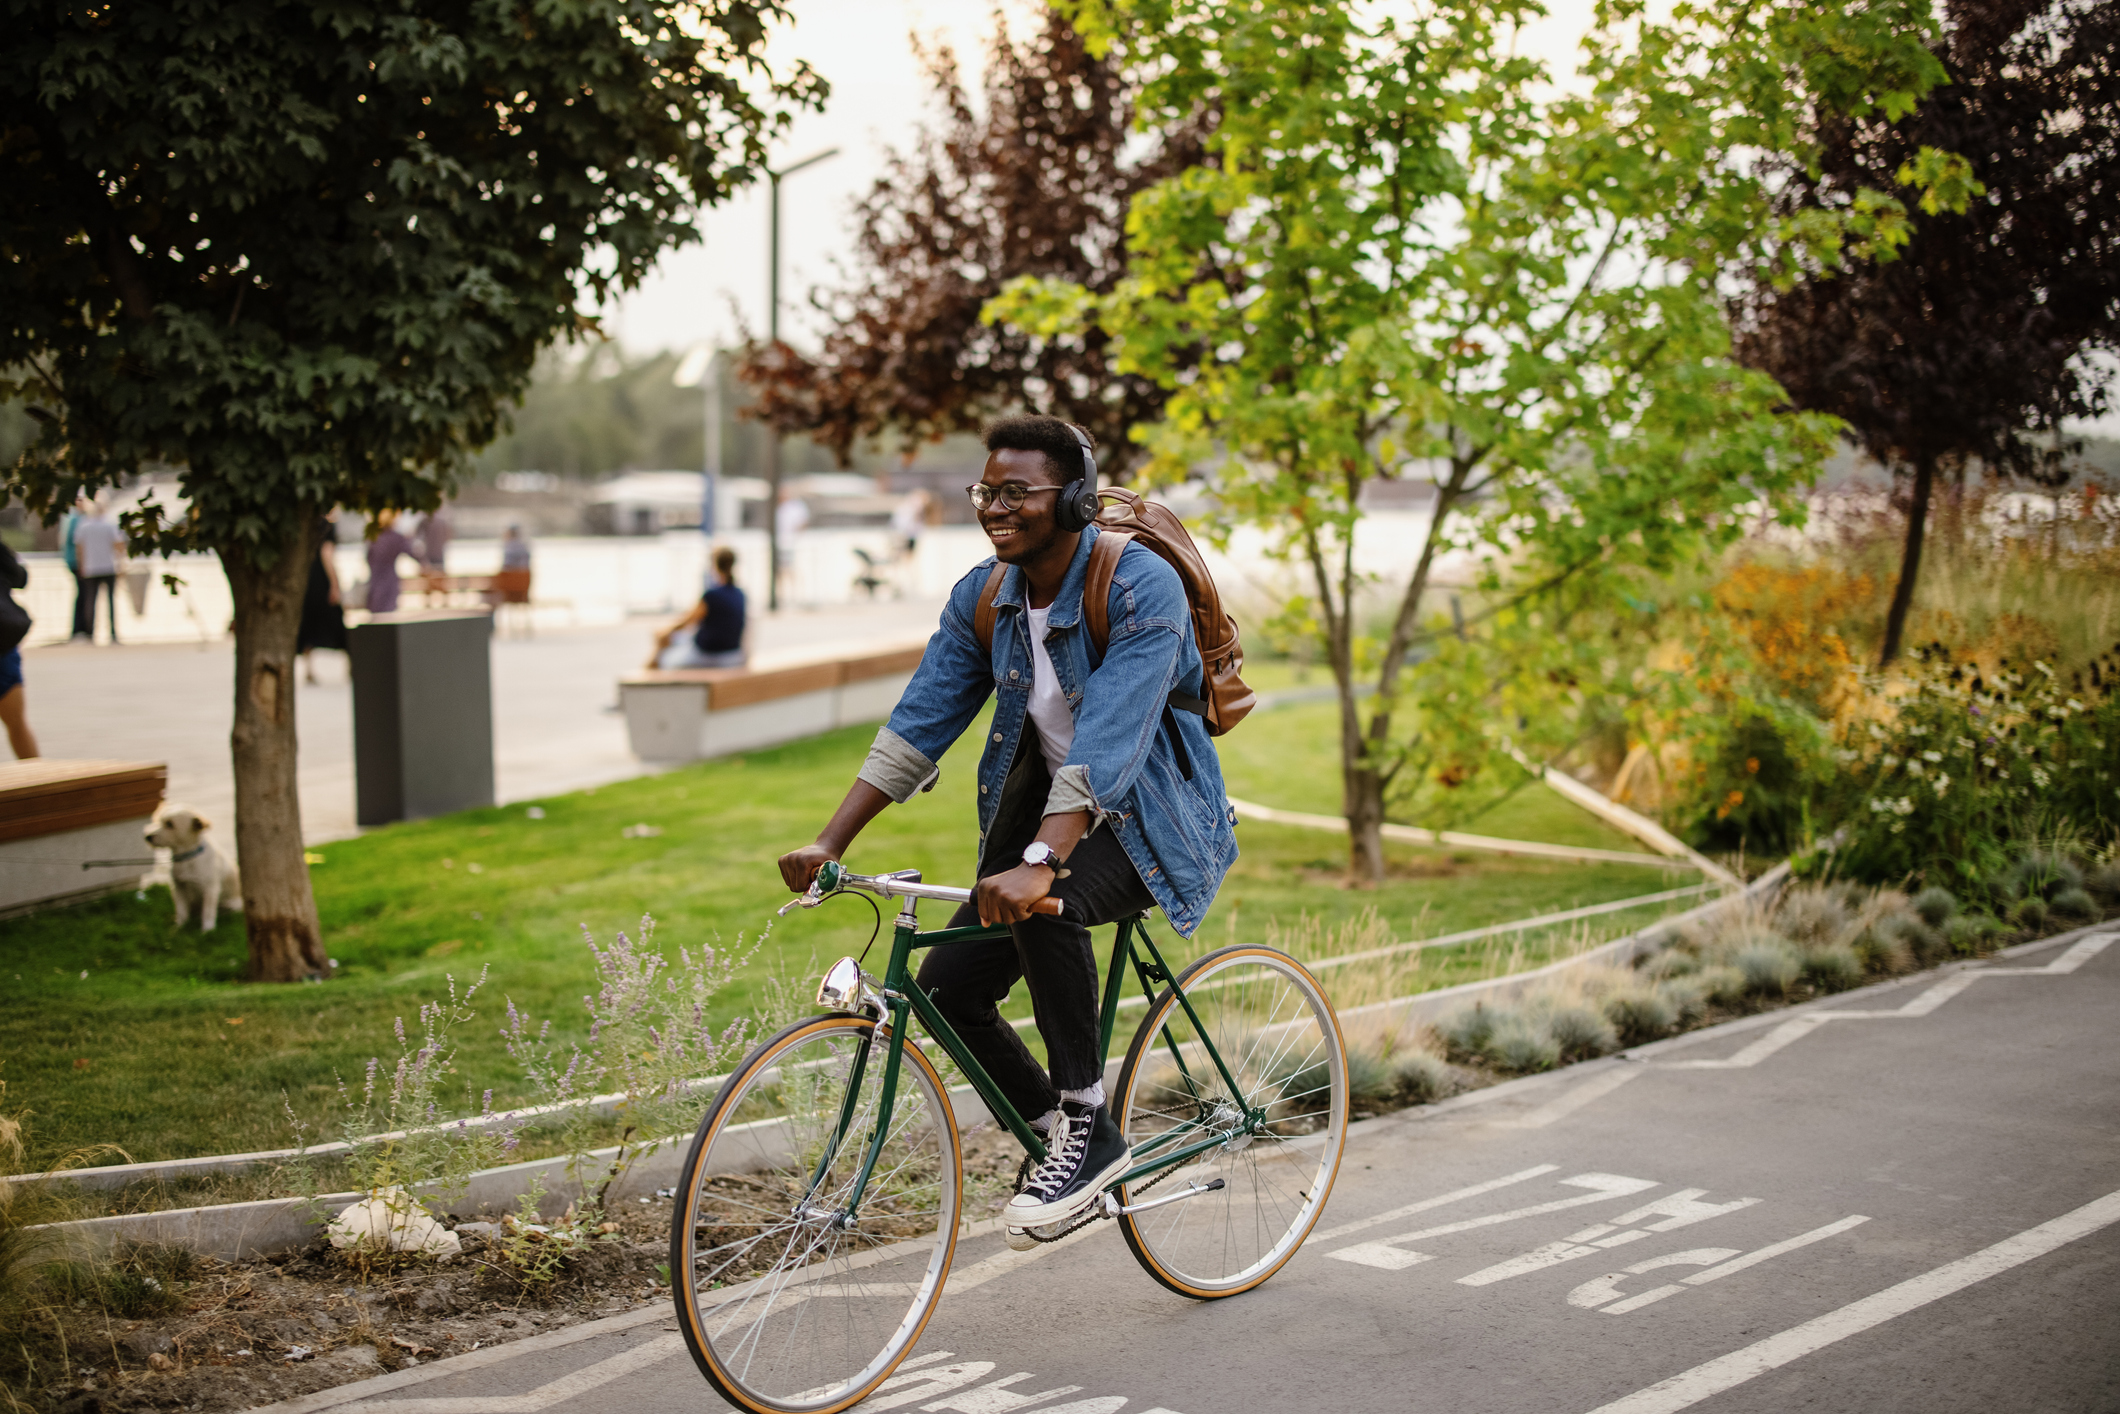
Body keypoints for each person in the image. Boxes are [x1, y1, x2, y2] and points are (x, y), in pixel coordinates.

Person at [776, 415, 1237, 1244]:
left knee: (1038, 900)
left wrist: (1039, 858)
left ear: (1076, 499)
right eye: (987, 491)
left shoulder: (1138, 585)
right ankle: (1060, 1133)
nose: (996, 507)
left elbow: (1111, 740)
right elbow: (921, 721)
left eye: (1017, 492)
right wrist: (830, 841)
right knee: (951, 991)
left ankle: (1088, 1121)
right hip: (1051, 821)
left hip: (1155, 818)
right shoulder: (984, 594)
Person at [650, 546, 747, 669]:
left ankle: (645, 681)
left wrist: (666, 632)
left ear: (714, 566)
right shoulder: (740, 594)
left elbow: (687, 622)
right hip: (734, 653)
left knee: (665, 659)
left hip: (709, 655)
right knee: (679, 640)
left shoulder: (711, 595)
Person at [297, 513, 348, 684]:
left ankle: (308, 669)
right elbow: (327, 554)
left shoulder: (302, 522)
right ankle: (349, 666)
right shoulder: (326, 526)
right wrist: (335, 584)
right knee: (336, 622)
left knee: (308, 623)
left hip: (305, 580)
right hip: (321, 582)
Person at [0, 537, 37, 758]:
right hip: (2, 646)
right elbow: (20, 578)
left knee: (17, 723)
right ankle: (41, 786)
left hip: (2, 647)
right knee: (17, 724)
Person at [71, 499, 125, 644]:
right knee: (110, 602)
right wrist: (121, 565)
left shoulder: (83, 526)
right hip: (108, 567)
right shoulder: (110, 525)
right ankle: (113, 634)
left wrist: (82, 566)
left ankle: (90, 634)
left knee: (91, 602)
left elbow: (79, 549)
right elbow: (119, 546)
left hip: (91, 568)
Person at [365, 510, 414, 614]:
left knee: (377, 611)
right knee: (388, 613)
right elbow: (412, 553)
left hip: (375, 579)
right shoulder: (396, 537)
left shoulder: (374, 537)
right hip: (389, 580)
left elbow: (368, 558)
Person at [773, 487, 809, 605]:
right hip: (781, 542)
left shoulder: (794, 507)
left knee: (790, 570)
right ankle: (781, 595)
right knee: (780, 571)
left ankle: (795, 595)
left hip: (790, 543)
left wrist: (796, 533)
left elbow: (803, 522)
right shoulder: (779, 508)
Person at [418, 506, 453, 572]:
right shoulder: (443, 521)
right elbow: (448, 536)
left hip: (429, 555)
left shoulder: (426, 520)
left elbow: (417, 537)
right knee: (439, 577)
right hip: (439, 555)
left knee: (430, 577)